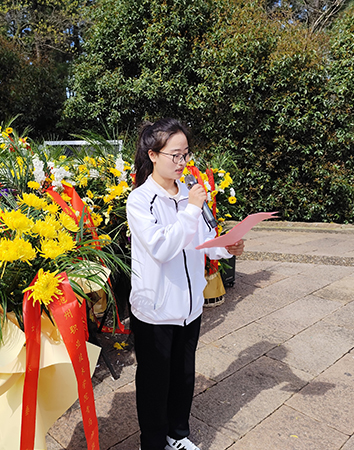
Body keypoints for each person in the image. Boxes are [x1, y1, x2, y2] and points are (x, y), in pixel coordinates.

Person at [126, 118, 245, 450]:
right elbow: (163, 247)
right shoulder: (140, 201)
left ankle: (177, 435)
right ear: (152, 154)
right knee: (154, 381)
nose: (182, 163)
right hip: (156, 309)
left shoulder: (191, 192)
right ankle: (151, 442)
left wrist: (227, 246)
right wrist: (191, 208)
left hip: (190, 306)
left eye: (185, 155)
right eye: (174, 155)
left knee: (182, 376)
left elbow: (204, 238)